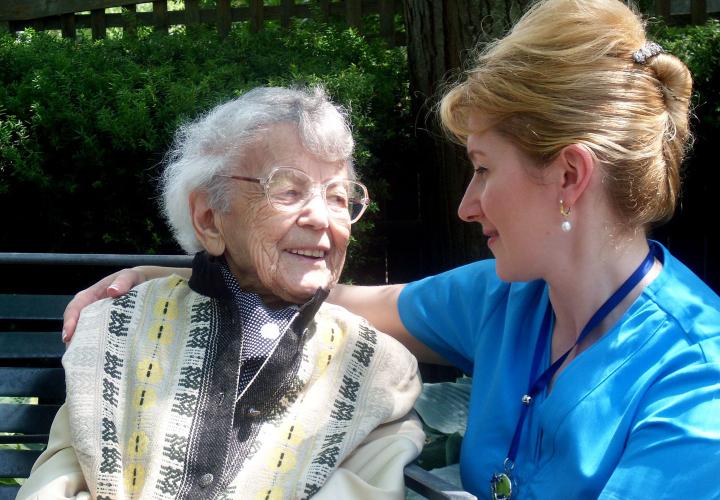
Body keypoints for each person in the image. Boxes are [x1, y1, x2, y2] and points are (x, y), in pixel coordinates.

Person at [61, 0, 720, 498]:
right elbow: (324, 299)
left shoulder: (697, 385)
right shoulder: (507, 299)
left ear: (570, 177)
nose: (466, 204)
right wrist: (172, 277)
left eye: (484, 168)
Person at [18, 87, 425, 500]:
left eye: (338, 197)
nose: (322, 218)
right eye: (288, 191)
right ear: (209, 219)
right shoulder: (117, 331)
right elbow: (56, 484)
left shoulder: (378, 373)